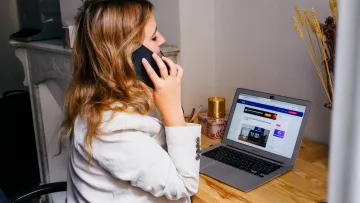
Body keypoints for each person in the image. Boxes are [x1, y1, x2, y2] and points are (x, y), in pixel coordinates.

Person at [60, 0, 202, 202]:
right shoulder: (111, 129)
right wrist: (173, 110)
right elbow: (185, 185)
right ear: (128, 56)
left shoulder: (100, 98)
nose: (162, 40)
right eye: (153, 37)